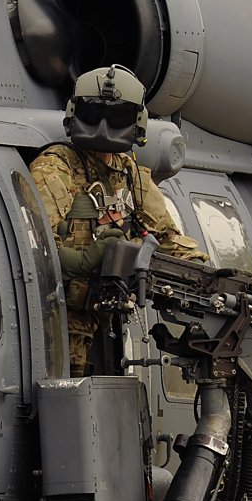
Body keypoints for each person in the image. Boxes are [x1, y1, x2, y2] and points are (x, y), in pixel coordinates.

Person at [28, 65, 208, 374]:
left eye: (116, 118)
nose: (103, 128)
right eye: (93, 114)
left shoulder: (131, 174)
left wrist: (207, 276)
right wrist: (86, 259)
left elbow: (167, 240)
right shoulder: (55, 167)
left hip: (108, 323)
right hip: (57, 321)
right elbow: (33, 248)